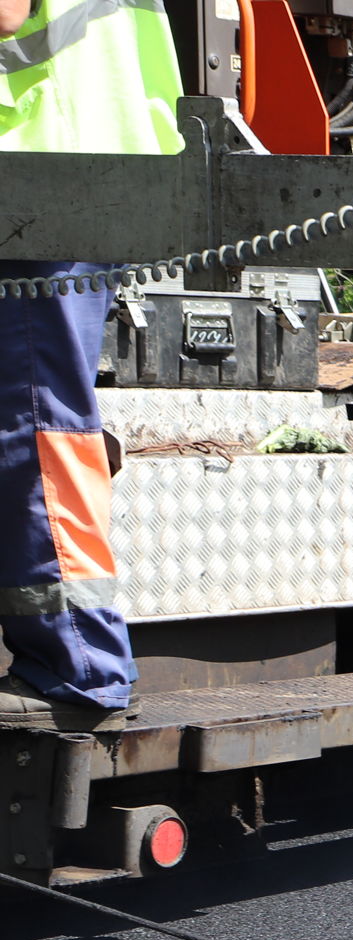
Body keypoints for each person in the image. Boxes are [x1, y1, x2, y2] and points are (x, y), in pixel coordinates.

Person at [0, 0, 184, 732]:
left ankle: (77, 665)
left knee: (36, 427)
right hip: (87, 142)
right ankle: (77, 657)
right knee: (45, 421)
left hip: (37, 159)